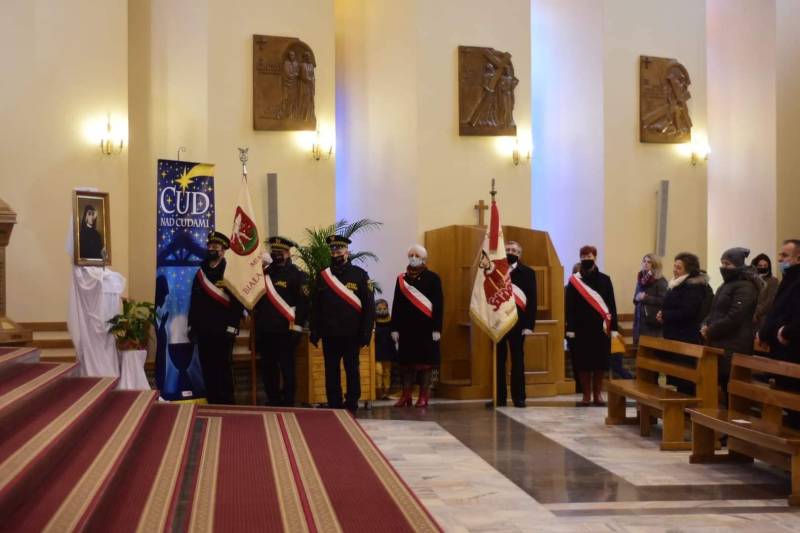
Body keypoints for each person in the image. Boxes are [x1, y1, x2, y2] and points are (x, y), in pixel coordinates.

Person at [310, 235, 375, 413]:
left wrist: (366, 332)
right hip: (329, 334)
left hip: (351, 334)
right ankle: (334, 404)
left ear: (347, 251)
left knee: (352, 370)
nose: (336, 252)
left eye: (339, 249)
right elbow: (315, 306)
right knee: (331, 371)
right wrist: (314, 329)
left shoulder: (360, 275)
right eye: (333, 249)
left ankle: (352, 403)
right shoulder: (323, 276)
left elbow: (369, 306)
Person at [188, 232, 244, 404]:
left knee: (223, 367)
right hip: (203, 329)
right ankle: (212, 400)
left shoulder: (230, 273)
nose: (211, 250)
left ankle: (227, 402)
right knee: (207, 366)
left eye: (215, 247)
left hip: (223, 330)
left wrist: (232, 327)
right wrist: (192, 326)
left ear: (223, 250)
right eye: (210, 247)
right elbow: (194, 301)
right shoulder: (201, 273)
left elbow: (237, 303)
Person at [253, 236, 309, 407]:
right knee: (268, 368)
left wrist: (298, 328)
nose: (277, 254)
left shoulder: (298, 275)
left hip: (286, 331)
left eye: (280, 252)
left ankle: (288, 401)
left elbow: (303, 304)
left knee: (287, 368)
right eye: (274, 251)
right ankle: (273, 399)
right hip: (265, 330)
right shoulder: (264, 273)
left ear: (288, 253)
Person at [701, 247, 761, 405]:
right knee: (723, 386)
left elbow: (735, 317)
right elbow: (714, 311)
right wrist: (705, 324)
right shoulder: (725, 285)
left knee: (732, 390)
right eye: (722, 263)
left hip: (735, 344)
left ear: (738, 265)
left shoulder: (746, 287)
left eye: (727, 264)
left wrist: (711, 330)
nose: (723, 267)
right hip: (720, 343)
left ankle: (734, 418)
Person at [565, 245, 620, 406]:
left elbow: (611, 305)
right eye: (583, 256)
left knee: (599, 362)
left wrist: (614, 328)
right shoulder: (574, 281)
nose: (586, 259)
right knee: (583, 362)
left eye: (589, 256)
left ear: (595, 257)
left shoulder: (605, 279)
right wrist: (570, 329)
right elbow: (569, 307)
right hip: (581, 328)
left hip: (600, 328)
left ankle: (597, 394)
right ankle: (586, 395)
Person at [391, 245, 443, 408]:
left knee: (425, 365)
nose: (413, 258)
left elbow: (438, 304)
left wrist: (437, 328)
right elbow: (396, 305)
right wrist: (394, 328)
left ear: (423, 259)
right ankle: (406, 395)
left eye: (417, 255)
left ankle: (423, 396)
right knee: (406, 365)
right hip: (406, 329)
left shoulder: (433, 278)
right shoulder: (401, 279)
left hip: (426, 329)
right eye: (411, 255)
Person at [491, 240, 536, 408]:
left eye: (515, 250)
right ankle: (499, 397)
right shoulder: (495, 271)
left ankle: (519, 398)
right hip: (499, 321)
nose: (511, 252)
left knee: (517, 361)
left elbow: (532, 300)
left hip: (519, 323)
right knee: (498, 360)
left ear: (519, 254)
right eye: (508, 249)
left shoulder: (528, 273)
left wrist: (529, 325)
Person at [657, 252, 710, 395]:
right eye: (674, 266)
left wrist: (666, 315)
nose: (674, 270)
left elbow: (688, 312)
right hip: (674, 335)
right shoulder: (677, 284)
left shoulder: (694, 287)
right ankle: (681, 404)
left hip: (686, 337)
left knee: (685, 379)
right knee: (678, 377)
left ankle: (687, 405)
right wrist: (662, 314)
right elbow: (671, 305)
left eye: (679, 267)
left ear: (689, 270)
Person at [758, 239, 800, 363]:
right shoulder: (787, 280)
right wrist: (764, 333)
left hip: (791, 350)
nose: (780, 259)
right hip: (777, 347)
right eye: (780, 255)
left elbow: (791, 316)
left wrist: (786, 332)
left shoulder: (795, 282)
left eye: (785, 255)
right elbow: (775, 312)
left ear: (798, 259)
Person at [633, 253, 667, 346]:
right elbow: (635, 299)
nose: (645, 263)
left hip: (652, 323)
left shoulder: (661, 281)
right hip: (639, 322)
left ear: (655, 265)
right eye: (644, 261)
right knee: (638, 349)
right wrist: (637, 298)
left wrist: (646, 298)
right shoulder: (641, 279)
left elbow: (664, 301)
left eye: (649, 262)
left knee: (650, 350)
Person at [374, 299, 397, 400]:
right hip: (377, 350)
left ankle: (386, 392)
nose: (382, 310)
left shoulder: (391, 321)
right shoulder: (373, 321)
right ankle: (378, 391)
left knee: (387, 371)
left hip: (388, 349)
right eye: (379, 308)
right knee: (378, 371)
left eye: (384, 308)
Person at [751, 252, 780, 332]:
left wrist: (757, 313)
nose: (762, 267)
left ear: (769, 266)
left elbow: (770, 300)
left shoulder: (773, 281)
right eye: (760, 266)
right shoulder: (751, 280)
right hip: (749, 317)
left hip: (764, 318)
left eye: (765, 265)